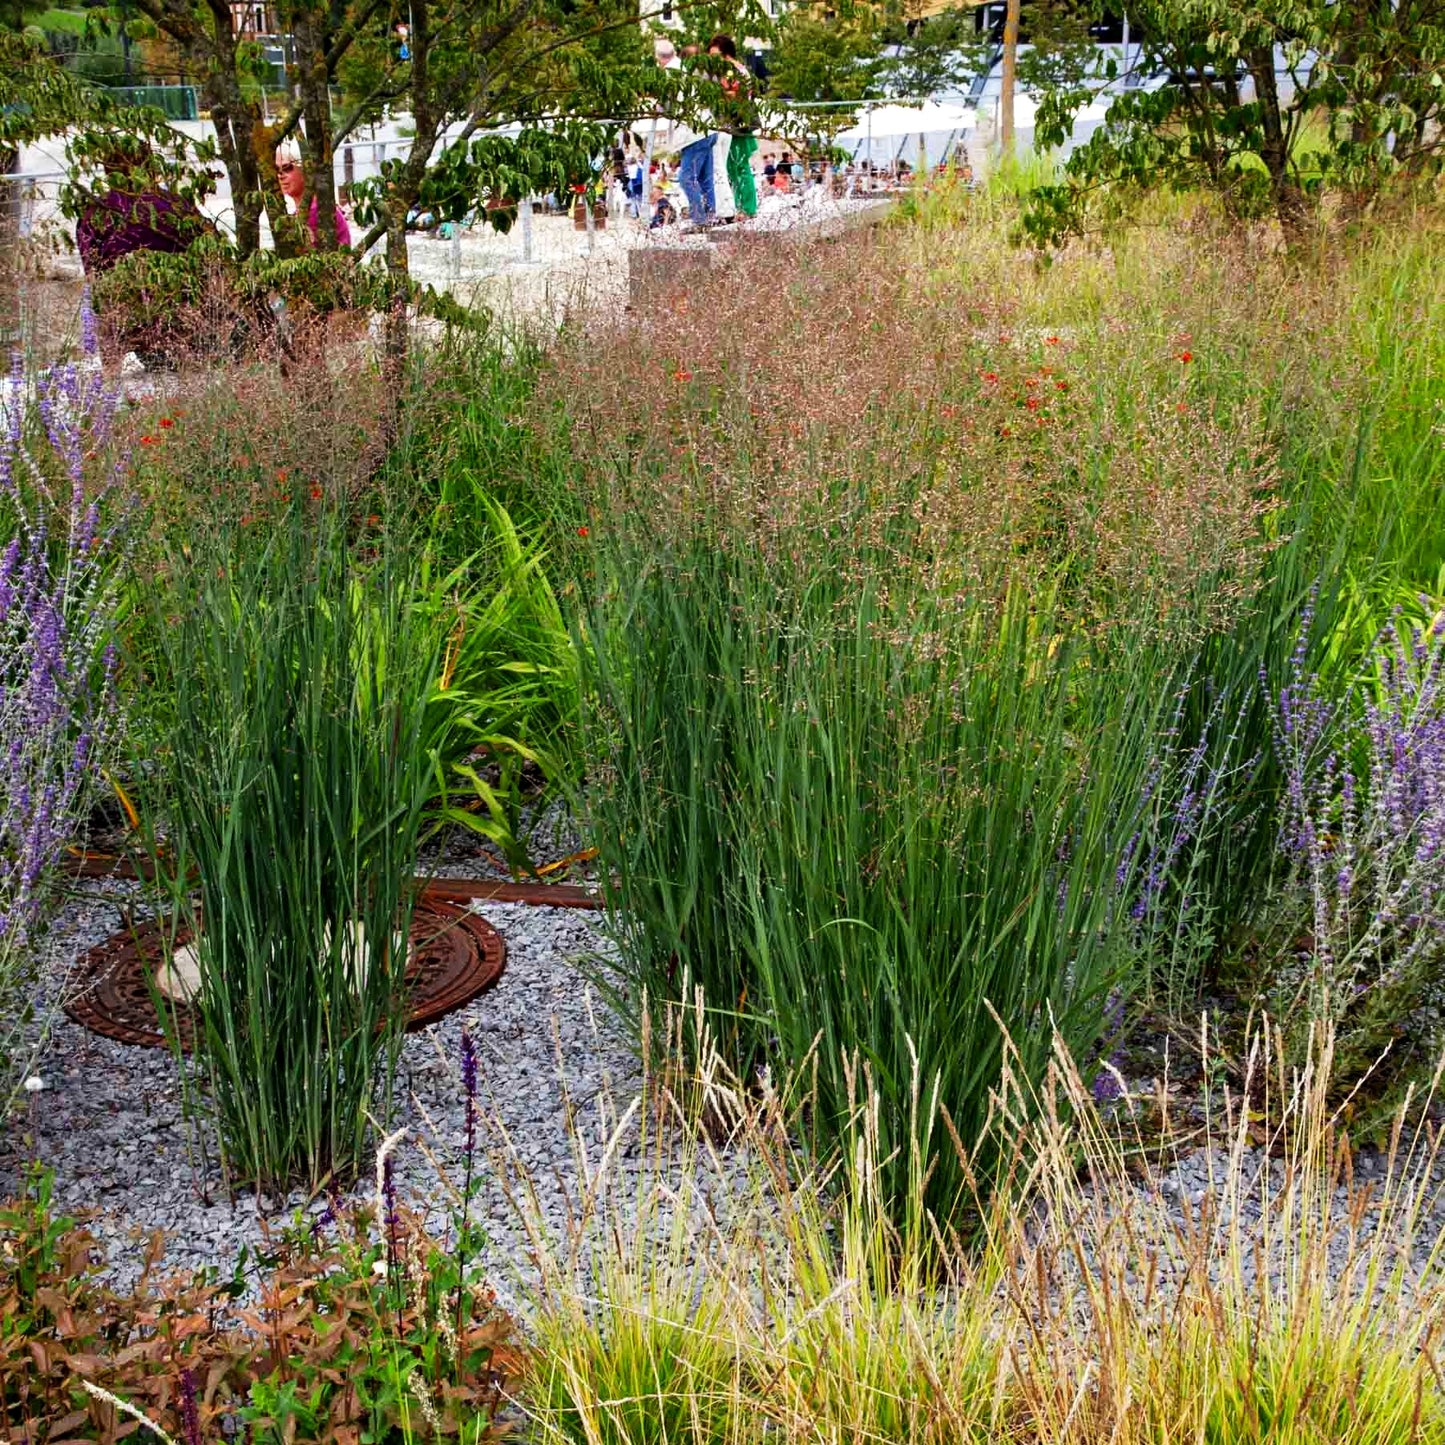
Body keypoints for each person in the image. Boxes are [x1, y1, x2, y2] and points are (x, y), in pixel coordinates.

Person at [75, 141, 212, 275]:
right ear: (150, 167)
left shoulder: (94, 212)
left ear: (108, 170)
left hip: (117, 291)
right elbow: (207, 250)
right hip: (181, 289)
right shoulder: (177, 204)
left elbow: (91, 270)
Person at [709, 33, 758, 220]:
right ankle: (740, 207)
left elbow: (737, 96)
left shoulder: (734, 71)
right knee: (732, 168)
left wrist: (718, 93)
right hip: (732, 124)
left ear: (725, 54)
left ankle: (746, 208)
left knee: (739, 167)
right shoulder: (731, 70)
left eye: (715, 55)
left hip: (738, 123)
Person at [275, 143, 352, 247]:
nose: (281, 176)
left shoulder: (316, 212)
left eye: (287, 168)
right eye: (277, 170)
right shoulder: (308, 210)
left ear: (306, 170)